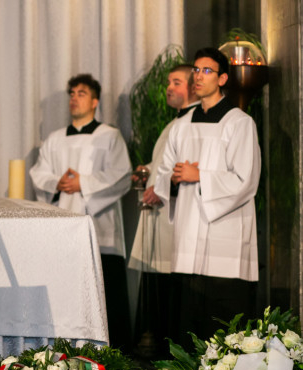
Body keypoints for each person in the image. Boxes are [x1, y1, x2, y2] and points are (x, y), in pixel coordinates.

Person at [155, 47, 261, 341]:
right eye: (196, 71)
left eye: (206, 71)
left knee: (221, 330)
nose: (198, 77)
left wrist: (199, 175)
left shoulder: (239, 123)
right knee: (188, 329)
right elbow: (163, 173)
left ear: (222, 78)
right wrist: (174, 178)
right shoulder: (180, 126)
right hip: (187, 237)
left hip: (224, 241)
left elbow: (246, 180)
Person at [29, 74, 132, 350]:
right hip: (61, 227)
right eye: (72, 93)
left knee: (104, 292)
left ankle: (113, 351)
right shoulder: (54, 139)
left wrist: (82, 183)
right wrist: (57, 183)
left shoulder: (109, 136)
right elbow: (39, 173)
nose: (74, 98)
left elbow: (121, 175)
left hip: (100, 226)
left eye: (82, 93)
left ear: (95, 101)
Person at [128, 64, 199, 349]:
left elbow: (188, 167)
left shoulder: (195, 122)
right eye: (169, 82)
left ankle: (170, 350)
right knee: (158, 285)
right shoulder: (175, 123)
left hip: (176, 216)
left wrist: (161, 186)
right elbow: (164, 165)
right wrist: (147, 171)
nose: (169, 88)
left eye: (176, 82)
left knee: (173, 289)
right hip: (160, 214)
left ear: (193, 86)